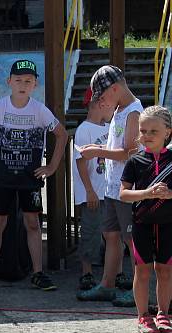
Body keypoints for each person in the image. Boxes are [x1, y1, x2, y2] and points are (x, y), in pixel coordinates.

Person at [0, 59, 68, 292]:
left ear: (35, 84)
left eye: (28, 81)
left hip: (30, 178)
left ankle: (38, 272)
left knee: (33, 223)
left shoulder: (39, 109)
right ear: (9, 82)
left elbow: (62, 135)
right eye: (18, 80)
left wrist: (51, 167)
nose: (23, 84)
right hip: (3, 177)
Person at [78, 65, 143, 307]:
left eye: (103, 96)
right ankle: (107, 284)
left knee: (131, 239)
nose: (102, 101)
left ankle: (140, 288)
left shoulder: (134, 113)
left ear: (115, 88)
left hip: (127, 189)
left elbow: (129, 152)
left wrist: (97, 151)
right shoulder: (119, 109)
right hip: (112, 188)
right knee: (111, 235)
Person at [117, 106, 172, 333]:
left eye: (153, 131)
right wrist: (147, 193)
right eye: (143, 131)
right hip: (141, 223)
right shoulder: (135, 161)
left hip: (168, 224)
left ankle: (164, 313)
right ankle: (142, 315)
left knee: (165, 270)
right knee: (143, 271)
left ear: (168, 132)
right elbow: (123, 194)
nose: (146, 136)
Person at [72, 88, 112, 291]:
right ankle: (86, 272)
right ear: (100, 103)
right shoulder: (84, 130)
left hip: (108, 191)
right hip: (93, 192)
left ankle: (114, 272)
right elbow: (80, 163)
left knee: (113, 234)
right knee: (91, 231)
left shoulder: (109, 127)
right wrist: (89, 190)